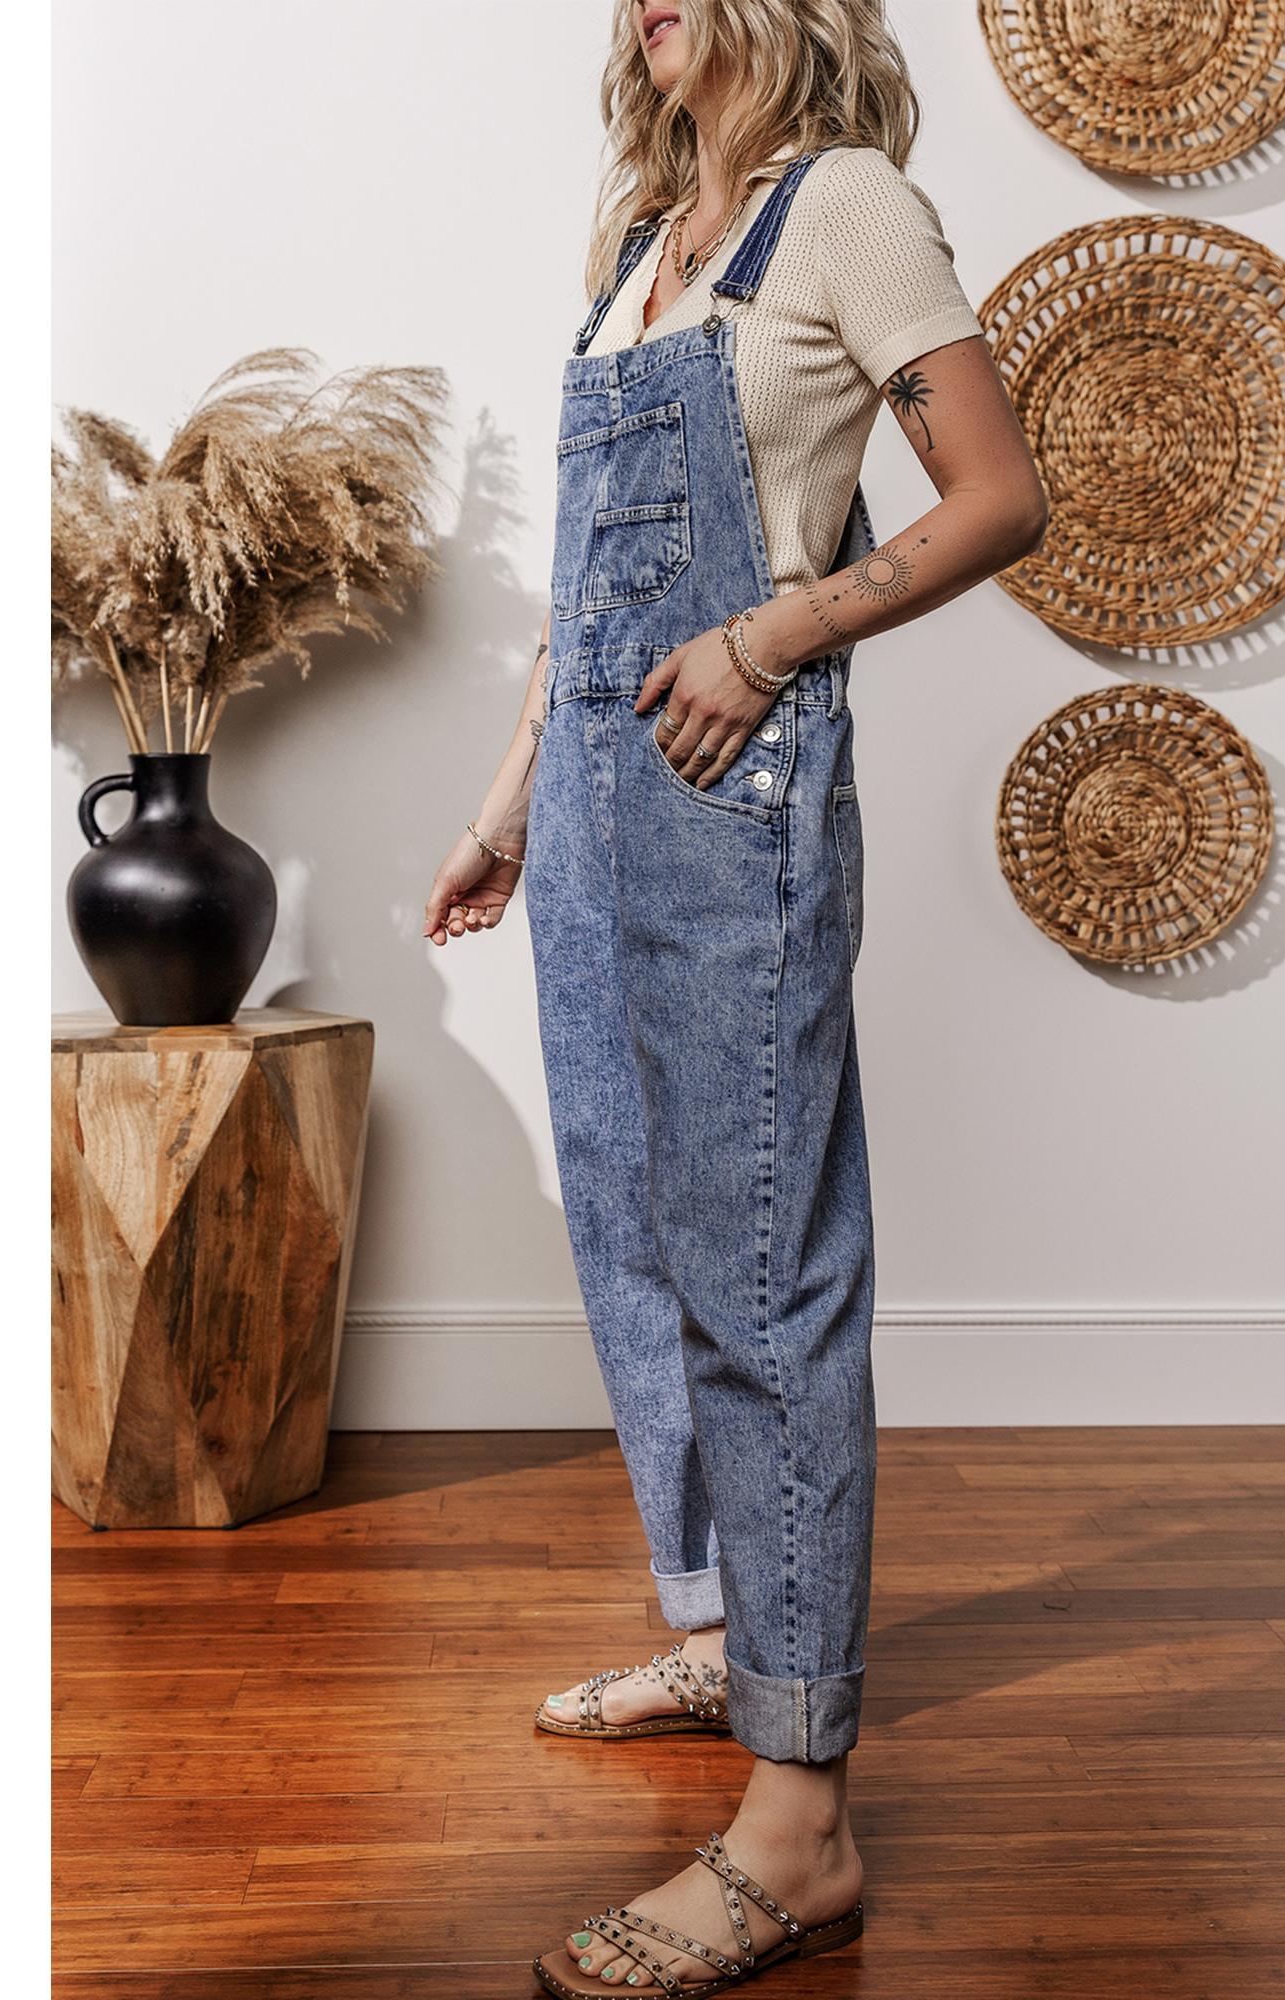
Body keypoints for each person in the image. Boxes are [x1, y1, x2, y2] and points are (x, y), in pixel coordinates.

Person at [423, 4, 1046, 1992]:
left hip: (725, 786)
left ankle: (800, 1821)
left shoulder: (843, 209)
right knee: (634, 1225)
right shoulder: (641, 245)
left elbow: (994, 495)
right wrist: (509, 805)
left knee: (762, 1270)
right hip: (594, 807)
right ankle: (723, 1631)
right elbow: (586, 593)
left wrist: (774, 635)